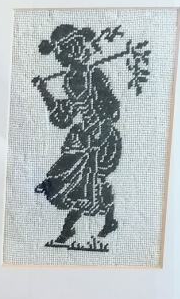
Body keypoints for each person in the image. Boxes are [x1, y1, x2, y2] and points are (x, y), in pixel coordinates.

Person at [32, 24, 121, 244]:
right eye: (75, 48)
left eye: (82, 46)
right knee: (77, 179)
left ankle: (69, 229)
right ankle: (103, 222)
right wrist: (44, 90)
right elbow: (63, 117)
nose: (83, 50)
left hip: (103, 136)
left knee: (87, 180)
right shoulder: (69, 80)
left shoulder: (94, 74)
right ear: (65, 54)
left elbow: (113, 108)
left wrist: (100, 126)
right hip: (83, 138)